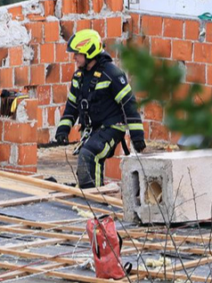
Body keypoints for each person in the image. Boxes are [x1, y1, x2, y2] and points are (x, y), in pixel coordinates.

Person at [53, 29, 146, 190]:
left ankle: (93, 200)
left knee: (90, 154)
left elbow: (129, 104)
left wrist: (137, 136)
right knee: (87, 159)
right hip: (92, 130)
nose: (74, 57)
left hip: (112, 127)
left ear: (89, 52)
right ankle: (89, 194)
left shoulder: (112, 74)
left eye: (77, 53)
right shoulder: (79, 77)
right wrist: (63, 129)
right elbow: (72, 106)